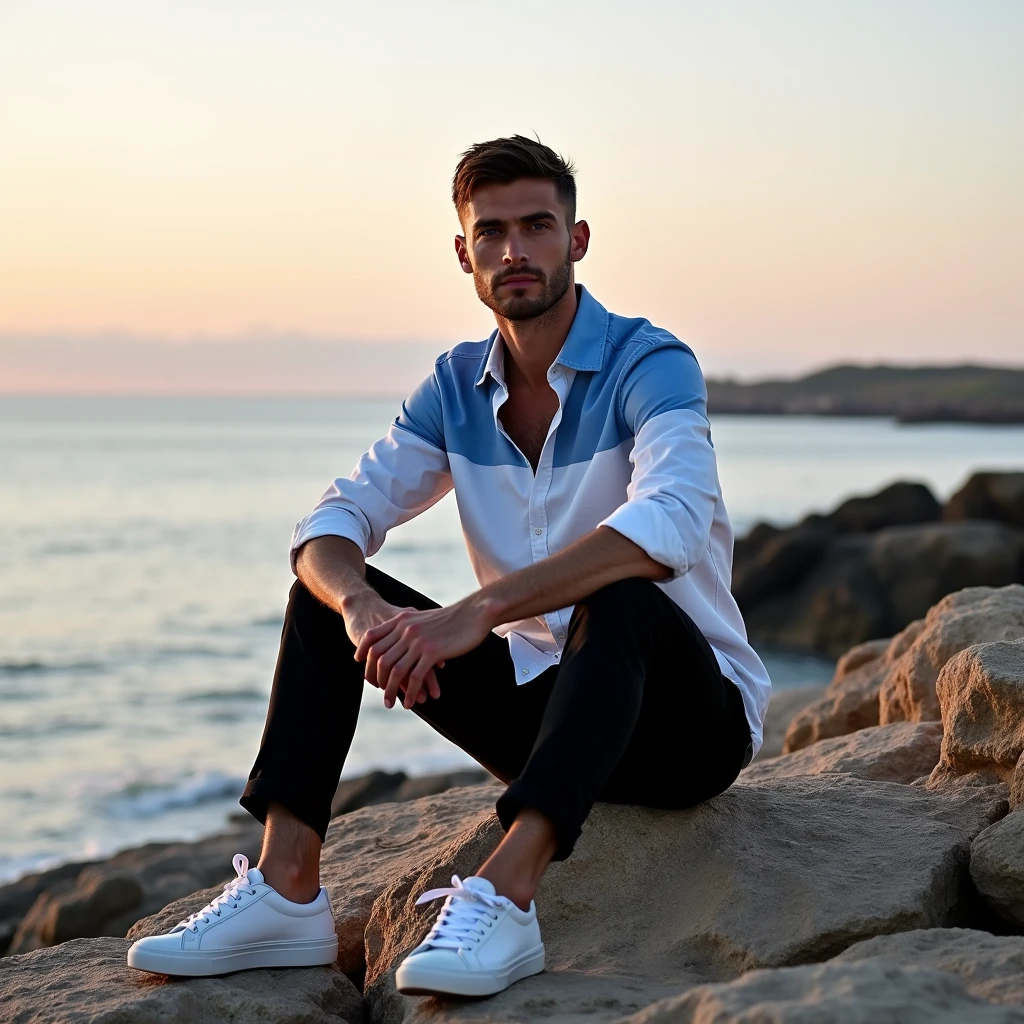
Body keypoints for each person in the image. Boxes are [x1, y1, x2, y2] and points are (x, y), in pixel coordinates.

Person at [126, 135, 771, 996]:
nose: (515, 251)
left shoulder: (648, 363)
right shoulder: (454, 386)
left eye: (538, 226)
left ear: (577, 240)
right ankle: (285, 892)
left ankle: (506, 899)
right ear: (464, 253)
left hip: (685, 726)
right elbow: (332, 519)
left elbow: (672, 523)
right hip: (549, 721)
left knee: (619, 600)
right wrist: (360, 610)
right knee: (318, 597)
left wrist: (479, 611)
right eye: (492, 232)